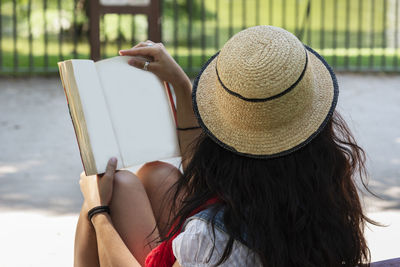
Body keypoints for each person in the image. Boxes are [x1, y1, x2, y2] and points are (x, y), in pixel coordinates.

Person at [74, 26, 376, 267]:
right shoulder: (321, 183)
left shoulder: (211, 242)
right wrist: (180, 84)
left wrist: (98, 214)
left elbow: (205, 212)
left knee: (112, 190)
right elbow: (202, 181)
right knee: (157, 175)